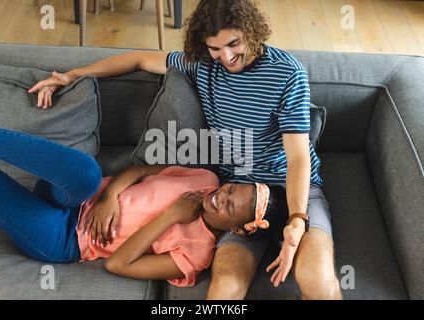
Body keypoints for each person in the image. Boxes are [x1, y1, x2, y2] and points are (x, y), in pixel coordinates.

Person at [28, 0, 342, 299]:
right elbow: (138, 59)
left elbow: (298, 157)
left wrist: (297, 220)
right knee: (225, 289)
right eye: (215, 48)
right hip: (237, 198)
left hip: (295, 192)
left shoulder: (288, 73)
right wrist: (73, 75)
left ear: (252, 31)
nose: (227, 57)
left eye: (234, 44)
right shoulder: (203, 65)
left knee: (315, 279)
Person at [0, 121, 286, 287]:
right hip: (78, 196)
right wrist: (109, 197)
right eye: (232, 189)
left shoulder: (197, 255)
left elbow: (117, 265)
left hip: (65, 238)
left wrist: (173, 216)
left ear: (240, 229)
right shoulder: (205, 179)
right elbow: (137, 171)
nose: (222, 197)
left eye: (229, 207)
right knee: (87, 173)